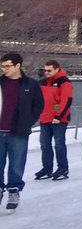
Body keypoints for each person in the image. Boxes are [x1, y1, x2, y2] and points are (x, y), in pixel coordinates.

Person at [0, 52, 44, 212]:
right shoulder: (0, 83)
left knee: (16, 163)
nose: (4, 69)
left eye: (8, 66)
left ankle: (14, 190)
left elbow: (39, 105)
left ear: (18, 65)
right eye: (3, 66)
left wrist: (28, 122)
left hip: (18, 132)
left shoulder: (30, 84)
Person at [36, 60, 74, 181]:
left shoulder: (64, 82)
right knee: (45, 145)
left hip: (59, 120)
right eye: (45, 70)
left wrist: (58, 116)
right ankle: (47, 169)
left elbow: (67, 100)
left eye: (49, 70)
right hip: (45, 118)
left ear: (57, 69)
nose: (46, 73)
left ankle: (63, 168)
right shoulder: (42, 82)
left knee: (59, 145)